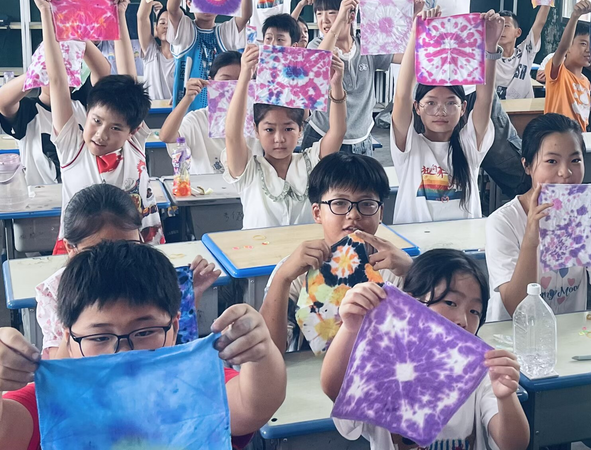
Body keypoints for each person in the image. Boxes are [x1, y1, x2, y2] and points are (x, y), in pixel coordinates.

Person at [303, 0, 539, 197]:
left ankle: (526, 218)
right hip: (419, 103)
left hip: (471, 94)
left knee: (514, 170)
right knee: (427, 183)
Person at [0, 241, 287, 450]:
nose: (125, 352)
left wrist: (260, 354)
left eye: (145, 331)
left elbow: (254, 404)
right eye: (100, 337)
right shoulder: (50, 399)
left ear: (175, 326)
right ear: (67, 337)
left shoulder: (194, 381)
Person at [321, 249, 530, 450]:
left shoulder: (482, 373)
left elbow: (514, 445)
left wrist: (506, 398)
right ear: (411, 302)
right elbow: (334, 389)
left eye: (474, 311)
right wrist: (350, 328)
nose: (463, 320)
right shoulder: (385, 361)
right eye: (451, 302)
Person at [33, 0, 164, 255]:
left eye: (116, 128)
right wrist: (47, 14)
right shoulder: (72, 147)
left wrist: (119, 14)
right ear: (88, 113)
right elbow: (58, 81)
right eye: (96, 121)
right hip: (85, 255)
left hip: (137, 252)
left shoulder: (134, 144)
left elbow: (128, 76)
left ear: (133, 130)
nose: (101, 134)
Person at [35, 183, 219, 359]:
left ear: (140, 236)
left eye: (128, 245)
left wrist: (186, 296)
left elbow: (174, 344)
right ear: (70, 248)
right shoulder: (53, 291)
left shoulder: (149, 273)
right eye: (97, 250)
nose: (116, 257)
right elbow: (59, 368)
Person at [485, 114, 591, 321]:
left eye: (575, 160)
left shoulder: (588, 215)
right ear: (527, 165)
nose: (565, 172)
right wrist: (530, 242)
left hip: (569, 334)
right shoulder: (503, 222)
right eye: (551, 161)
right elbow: (517, 309)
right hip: (512, 335)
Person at [260, 152, 414, 354]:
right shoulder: (296, 269)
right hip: (313, 371)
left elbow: (426, 343)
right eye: (340, 203)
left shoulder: (395, 268)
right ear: (317, 213)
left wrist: (413, 273)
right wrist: (282, 279)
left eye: (367, 203)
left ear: (381, 213)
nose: (354, 214)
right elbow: (268, 349)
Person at [391, 7, 503, 223]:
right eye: (431, 103)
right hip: (416, 243)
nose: (440, 111)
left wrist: (490, 47)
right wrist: (416, 34)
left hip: (462, 242)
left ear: (463, 108)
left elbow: (485, 99)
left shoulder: (469, 145)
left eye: (451, 103)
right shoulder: (409, 147)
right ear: (417, 107)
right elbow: (402, 96)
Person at [223, 43, 345, 229]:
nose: (279, 138)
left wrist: (336, 85)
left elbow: (337, 131)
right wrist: (245, 76)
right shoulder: (248, 170)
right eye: (269, 130)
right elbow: (232, 135)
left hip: (306, 248)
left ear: (300, 130)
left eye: (288, 129)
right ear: (256, 130)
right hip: (257, 248)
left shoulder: (311, 162)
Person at [302, 0, 403, 156]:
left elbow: (407, 57)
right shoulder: (316, 45)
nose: (324, 20)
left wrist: (415, 21)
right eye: (319, 14)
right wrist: (338, 20)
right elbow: (318, 63)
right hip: (321, 136)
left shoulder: (366, 45)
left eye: (332, 12)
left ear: (351, 15)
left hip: (361, 140)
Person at [0, 45, 110, 186]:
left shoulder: (82, 102)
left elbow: (103, 73)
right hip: (42, 197)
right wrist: (36, 71)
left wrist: (79, 39)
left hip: (84, 193)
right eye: (54, 69)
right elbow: (3, 102)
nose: (59, 76)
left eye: (67, 69)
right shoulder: (29, 111)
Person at [166, 0, 254, 112]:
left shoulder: (224, 32)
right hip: (188, 112)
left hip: (222, 112)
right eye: (201, 0)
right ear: (189, 3)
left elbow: (245, 16)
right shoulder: (186, 29)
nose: (207, 7)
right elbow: (172, 10)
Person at [159, 51, 259, 175]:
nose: (234, 88)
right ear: (210, 82)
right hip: (204, 187)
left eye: (241, 82)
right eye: (225, 80)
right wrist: (187, 98)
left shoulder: (259, 121)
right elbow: (167, 137)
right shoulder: (197, 119)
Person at [543, 1, 591, 131]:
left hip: (577, 137)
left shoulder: (586, 82)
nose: (589, 50)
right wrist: (575, 16)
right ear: (569, 48)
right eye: (583, 44)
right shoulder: (559, 72)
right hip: (556, 135)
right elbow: (562, 48)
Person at [495, 0, 549, 100]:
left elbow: (540, 23)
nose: (501, 29)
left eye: (506, 26)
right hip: (498, 108)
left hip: (524, 107)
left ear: (518, 32)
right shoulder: (489, 57)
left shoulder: (525, 52)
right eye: (497, 26)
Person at [137, 0, 175, 101]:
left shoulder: (187, 57)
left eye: (171, 23)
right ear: (156, 29)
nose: (166, 26)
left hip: (180, 109)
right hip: (152, 110)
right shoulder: (151, 52)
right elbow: (142, 18)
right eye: (162, 23)